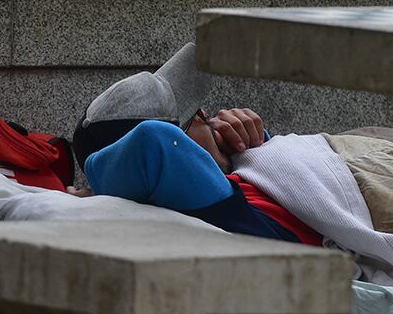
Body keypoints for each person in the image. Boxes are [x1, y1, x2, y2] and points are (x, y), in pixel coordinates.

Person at [70, 43, 321, 245]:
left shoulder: (234, 186)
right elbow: (153, 140)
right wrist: (100, 188)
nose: (208, 116)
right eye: (195, 117)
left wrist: (259, 145)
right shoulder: (223, 210)